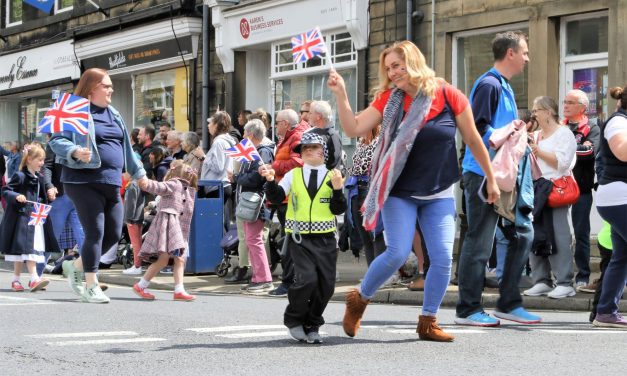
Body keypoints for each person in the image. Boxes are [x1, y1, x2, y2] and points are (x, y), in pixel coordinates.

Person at [328, 40, 499, 342]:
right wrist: (341, 93)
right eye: (389, 68)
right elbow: (354, 128)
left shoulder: (448, 95)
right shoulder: (389, 101)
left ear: (414, 61)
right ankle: (359, 300)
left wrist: (492, 178)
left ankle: (428, 322)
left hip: (438, 191)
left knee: (444, 258)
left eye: (398, 64)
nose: (393, 72)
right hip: (399, 191)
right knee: (396, 253)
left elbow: (473, 139)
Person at [455, 31, 538, 327]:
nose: (528, 58)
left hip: (503, 175)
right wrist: (508, 135)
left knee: (522, 233)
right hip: (482, 175)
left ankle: (508, 302)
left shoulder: (504, 86)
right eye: (525, 52)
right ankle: (467, 309)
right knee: (479, 243)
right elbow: (474, 129)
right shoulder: (489, 84)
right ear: (511, 53)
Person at [49, 68, 146, 303]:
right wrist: (73, 151)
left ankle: (76, 265)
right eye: (107, 85)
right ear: (92, 88)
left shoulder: (114, 113)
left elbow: (126, 149)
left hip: (111, 182)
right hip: (82, 181)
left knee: (113, 234)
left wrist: (139, 172)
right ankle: (91, 285)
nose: (111, 89)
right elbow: (56, 140)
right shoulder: (74, 110)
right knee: (95, 231)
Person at [262, 132, 347, 344]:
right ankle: (294, 319)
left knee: (326, 286)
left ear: (324, 152)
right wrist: (271, 182)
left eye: (313, 147)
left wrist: (338, 190)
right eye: (304, 148)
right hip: (299, 238)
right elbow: (276, 197)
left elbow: (338, 209)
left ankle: (313, 325)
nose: (307, 150)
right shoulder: (293, 175)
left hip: (326, 238)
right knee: (306, 279)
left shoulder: (333, 176)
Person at [523, 96, 577, 299]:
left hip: (554, 189)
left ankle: (564, 282)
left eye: (537, 110)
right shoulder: (535, 135)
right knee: (535, 235)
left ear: (548, 112)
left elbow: (563, 164)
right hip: (535, 190)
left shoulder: (564, 134)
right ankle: (541, 280)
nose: (534, 113)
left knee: (559, 236)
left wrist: (538, 151)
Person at [132, 160, 198, 301]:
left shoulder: (189, 190)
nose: (191, 174)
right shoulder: (174, 184)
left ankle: (177, 290)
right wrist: (146, 183)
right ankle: (142, 285)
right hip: (168, 226)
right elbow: (158, 186)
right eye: (189, 172)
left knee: (178, 259)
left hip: (179, 230)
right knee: (167, 260)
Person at [261, 108, 309, 297]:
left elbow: (298, 163)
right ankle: (291, 281)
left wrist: (273, 166)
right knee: (288, 241)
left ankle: (289, 282)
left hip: (291, 198)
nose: (275, 125)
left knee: (289, 241)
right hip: (284, 196)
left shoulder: (296, 137)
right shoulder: (288, 137)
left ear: (286, 123)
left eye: (278, 121)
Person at [591, 85, 627, 328]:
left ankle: (605, 312)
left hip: (618, 197)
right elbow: (622, 152)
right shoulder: (618, 123)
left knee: (622, 257)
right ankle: (605, 311)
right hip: (618, 197)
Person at [0, 143, 58, 292]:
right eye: (39, 160)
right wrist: (16, 195)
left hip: (35, 218)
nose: (42, 163)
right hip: (21, 219)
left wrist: (51, 194)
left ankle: (16, 280)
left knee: (25, 251)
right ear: (29, 160)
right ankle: (33, 279)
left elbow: (43, 196)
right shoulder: (19, 176)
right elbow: (6, 191)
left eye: (43, 159)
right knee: (27, 250)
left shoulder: (39, 177)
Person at [562, 89, 600, 290]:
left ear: (582, 107)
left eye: (570, 102)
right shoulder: (560, 127)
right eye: (565, 101)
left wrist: (564, 149)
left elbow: (590, 153)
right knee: (559, 234)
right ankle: (561, 275)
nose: (565, 105)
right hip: (558, 188)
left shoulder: (592, 128)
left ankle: (583, 275)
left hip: (581, 189)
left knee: (581, 233)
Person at [236, 119, 275, 294]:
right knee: (252, 240)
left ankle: (264, 279)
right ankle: (257, 278)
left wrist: (236, 178)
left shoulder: (262, 152)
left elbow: (256, 178)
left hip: (257, 202)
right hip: (251, 202)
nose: (242, 136)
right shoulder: (255, 152)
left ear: (251, 135)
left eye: (244, 133)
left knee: (254, 240)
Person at [41, 142, 85, 275]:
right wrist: (49, 185)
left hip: (79, 195)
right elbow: (47, 166)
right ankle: (37, 271)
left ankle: (89, 271)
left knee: (83, 235)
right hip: (60, 196)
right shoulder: (55, 142)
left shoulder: (84, 140)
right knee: (52, 235)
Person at [345, 125, 385, 266]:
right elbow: (357, 168)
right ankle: (371, 274)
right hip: (357, 190)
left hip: (370, 189)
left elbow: (362, 167)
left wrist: (352, 170)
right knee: (364, 237)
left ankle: (379, 274)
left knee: (374, 234)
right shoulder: (361, 143)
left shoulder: (379, 143)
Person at [201, 111, 237, 229]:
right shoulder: (228, 141)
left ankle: (221, 247)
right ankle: (226, 246)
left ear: (216, 125)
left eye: (210, 122)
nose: (208, 125)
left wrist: (204, 157)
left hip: (216, 186)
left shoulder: (219, 142)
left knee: (215, 224)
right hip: (223, 185)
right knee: (222, 222)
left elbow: (218, 166)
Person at [306, 101, 343, 171]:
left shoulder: (332, 136)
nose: (308, 115)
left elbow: (333, 164)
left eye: (310, 113)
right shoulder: (310, 133)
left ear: (318, 116)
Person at [122, 171, 144, 275]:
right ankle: (137, 265)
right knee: (137, 242)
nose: (123, 175)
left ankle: (137, 266)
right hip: (138, 217)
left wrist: (128, 219)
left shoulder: (132, 186)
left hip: (133, 219)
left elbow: (131, 205)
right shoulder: (138, 184)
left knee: (135, 244)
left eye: (125, 172)